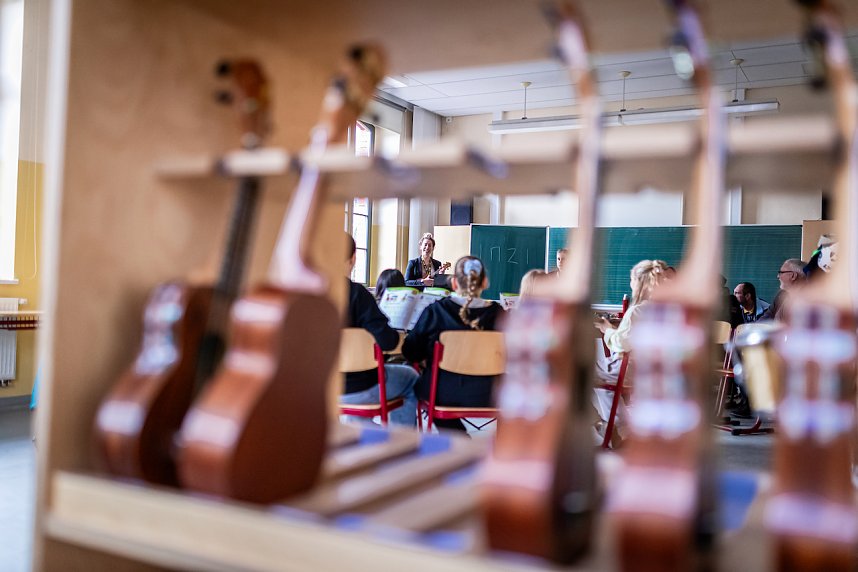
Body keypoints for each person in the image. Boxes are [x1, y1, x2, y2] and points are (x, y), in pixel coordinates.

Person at [402, 256, 503, 433]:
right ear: (485, 282)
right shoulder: (501, 315)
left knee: (419, 387)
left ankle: (459, 442)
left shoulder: (436, 311)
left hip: (443, 393)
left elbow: (411, 352)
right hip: (493, 394)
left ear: (454, 283)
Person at [341, 234, 418, 426]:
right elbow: (388, 341)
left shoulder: (309, 293)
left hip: (318, 388)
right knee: (411, 378)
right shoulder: (357, 295)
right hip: (361, 386)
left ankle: (361, 431)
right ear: (353, 259)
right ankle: (401, 444)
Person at [593, 259, 669, 442]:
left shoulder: (638, 311)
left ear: (640, 283)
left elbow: (622, 343)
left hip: (628, 368)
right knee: (600, 385)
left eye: (632, 280)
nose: (630, 284)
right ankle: (617, 427)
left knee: (578, 373)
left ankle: (615, 426)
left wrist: (607, 329)